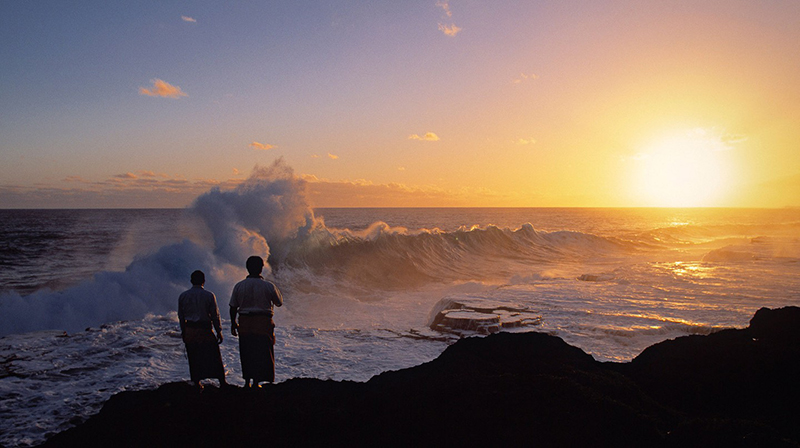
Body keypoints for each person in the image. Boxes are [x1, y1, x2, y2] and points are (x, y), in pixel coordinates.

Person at [229, 255, 284, 388]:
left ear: (247, 268)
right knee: (262, 353)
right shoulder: (268, 286)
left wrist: (233, 324)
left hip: (245, 323)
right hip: (263, 323)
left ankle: (247, 382)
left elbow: (233, 307)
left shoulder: (239, 286)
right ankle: (256, 382)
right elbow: (279, 303)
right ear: (261, 268)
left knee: (247, 352)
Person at [178, 270, 227, 389]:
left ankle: (197, 382)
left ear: (191, 281)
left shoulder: (183, 296)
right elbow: (215, 315)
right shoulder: (209, 295)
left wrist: (184, 332)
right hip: (205, 330)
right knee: (214, 357)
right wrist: (219, 331)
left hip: (190, 330)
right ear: (204, 281)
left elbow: (181, 316)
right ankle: (222, 382)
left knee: (194, 357)